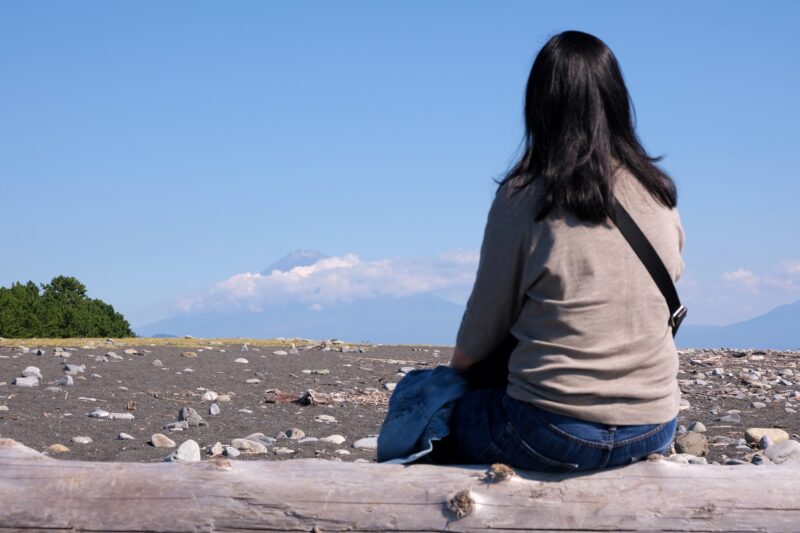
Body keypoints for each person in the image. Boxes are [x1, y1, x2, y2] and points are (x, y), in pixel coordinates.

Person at [438, 30, 684, 472]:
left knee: (428, 406)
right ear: (616, 100)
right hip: (654, 423)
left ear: (540, 105)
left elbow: (484, 323)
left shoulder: (526, 195)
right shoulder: (658, 193)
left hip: (551, 429)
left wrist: (449, 378)